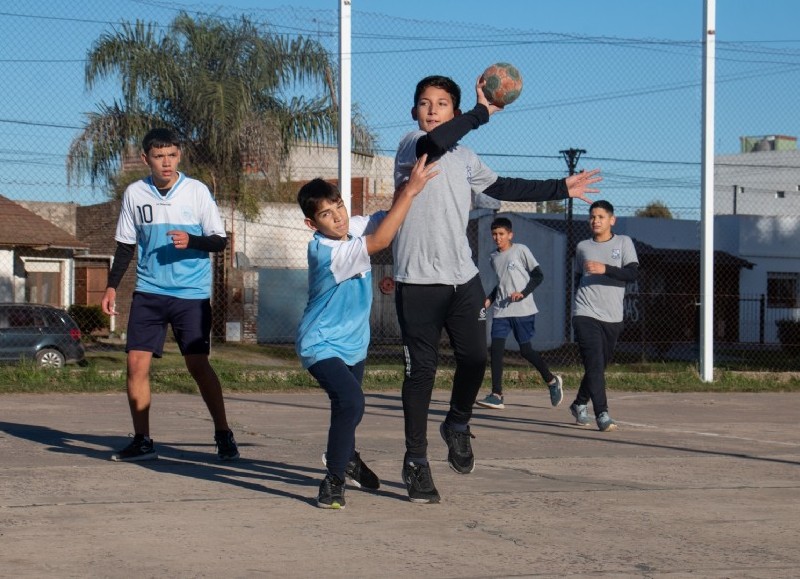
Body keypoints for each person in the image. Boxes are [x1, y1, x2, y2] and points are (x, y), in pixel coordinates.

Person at [393, 74, 602, 504]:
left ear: (452, 110)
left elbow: (504, 188)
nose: (432, 109)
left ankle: (457, 423)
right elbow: (436, 145)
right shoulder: (412, 145)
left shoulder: (465, 156)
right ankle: (416, 461)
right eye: (425, 102)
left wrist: (560, 187)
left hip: (462, 277)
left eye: (442, 103)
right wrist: (481, 113)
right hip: (417, 281)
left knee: (474, 358)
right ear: (415, 111)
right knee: (422, 374)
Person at [296, 155, 438, 509]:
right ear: (312, 224)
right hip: (321, 343)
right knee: (352, 402)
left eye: (339, 206)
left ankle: (347, 457)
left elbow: (383, 219)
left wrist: (406, 182)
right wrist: (411, 193)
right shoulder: (327, 251)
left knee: (350, 410)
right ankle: (333, 480)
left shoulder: (350, 227)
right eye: (327, 214)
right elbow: (381, 240)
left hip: (354, 345)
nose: (338, 216)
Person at [101, 127, 239, 462]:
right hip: (149, 292)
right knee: (135, 364)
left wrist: (192, 241)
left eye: (172, 155)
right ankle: (142, 440)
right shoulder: (135, 194)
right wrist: (111, 286)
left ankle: (223, 432)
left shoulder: (196, 192)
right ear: (146, 158)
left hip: (190, 294)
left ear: (179, 156)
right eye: (159, 156)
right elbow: (124, 246)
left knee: (197, 364)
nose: (166, 162)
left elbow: (219, 241)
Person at [477, 217, 563, 410]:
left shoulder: (521, 250)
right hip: (501, 310)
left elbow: (538, 275)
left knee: (526, 351)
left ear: (510, 235)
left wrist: (522, 293)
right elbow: (502, 283)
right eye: (494, 234)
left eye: (501, 234)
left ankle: (551, 381)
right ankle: (497, 394)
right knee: (496, 350)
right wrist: (490, 299)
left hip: (522, 309)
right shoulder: (493, 257)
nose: (497, 238)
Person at [569, 200, 638, 432]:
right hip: (585, 312)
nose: (595, 221)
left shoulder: (624, 242)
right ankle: (602, 414)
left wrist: (605, 268)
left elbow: (632, 273)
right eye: (592, 217)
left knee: (598, 367)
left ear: (612, 220)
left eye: (600, 216)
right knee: (595, 364)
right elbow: (578, 277)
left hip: (613, 317)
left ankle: (579, 403)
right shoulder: (582, 247)